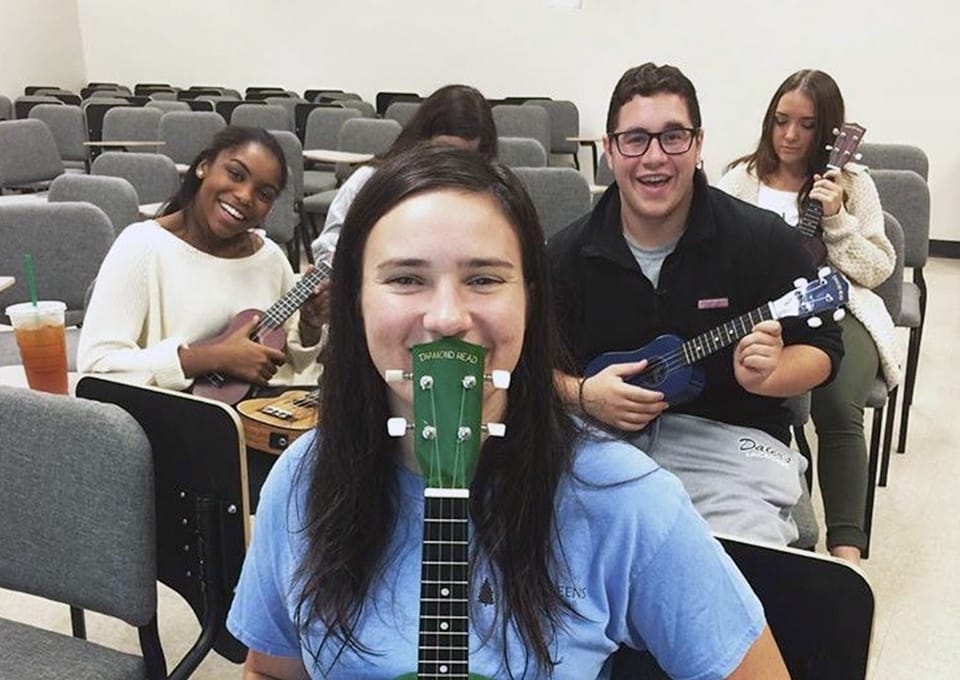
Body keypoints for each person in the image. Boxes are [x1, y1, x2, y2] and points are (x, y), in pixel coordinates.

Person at [227, 144, 789, 679]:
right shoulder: (304, 477)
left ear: (531, 299)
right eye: (405, 279)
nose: (446, 317)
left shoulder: (625, 499)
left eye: (483, 279)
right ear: (355, 299)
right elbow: (273, 668)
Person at [548, 63, 844, 547]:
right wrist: (582, 394)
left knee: (728, 575)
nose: (654, 158)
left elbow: (825, 349)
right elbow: (519, 365)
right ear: (609, 150)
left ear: (699, 144)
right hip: (602, 444)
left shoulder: (763, 242)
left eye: (673, 137)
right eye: (635, 139)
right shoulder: (563, 256)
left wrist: (775, 372)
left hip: (731, 446)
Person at [716, 69, 899, 563]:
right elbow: (712, 253)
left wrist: (837, 221)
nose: (790, 136)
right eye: (781, 121)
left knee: (838, 407)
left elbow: (878, 267)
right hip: (762, 314)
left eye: (806, 125)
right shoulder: (740, 179)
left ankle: (847, 558)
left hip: (841, 311)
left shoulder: (852, 183)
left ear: (829, 131)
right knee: (734, 386)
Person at [78, 125, 325, 391]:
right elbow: (96, 365)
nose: (245, 196)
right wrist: (213, 357)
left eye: (264, 194)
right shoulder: (141, 246)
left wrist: (309, 326)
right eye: (236, 174)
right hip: (174, 419)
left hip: (265, 413)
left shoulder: (271, 258)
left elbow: (292, 364)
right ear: (203, 167)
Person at [310, 83, 497, 261]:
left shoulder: (489, 195)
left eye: (465, 158)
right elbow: (330, 244)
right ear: (419, 139)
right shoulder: (369, 181)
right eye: (440, 151)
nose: (449, 165)